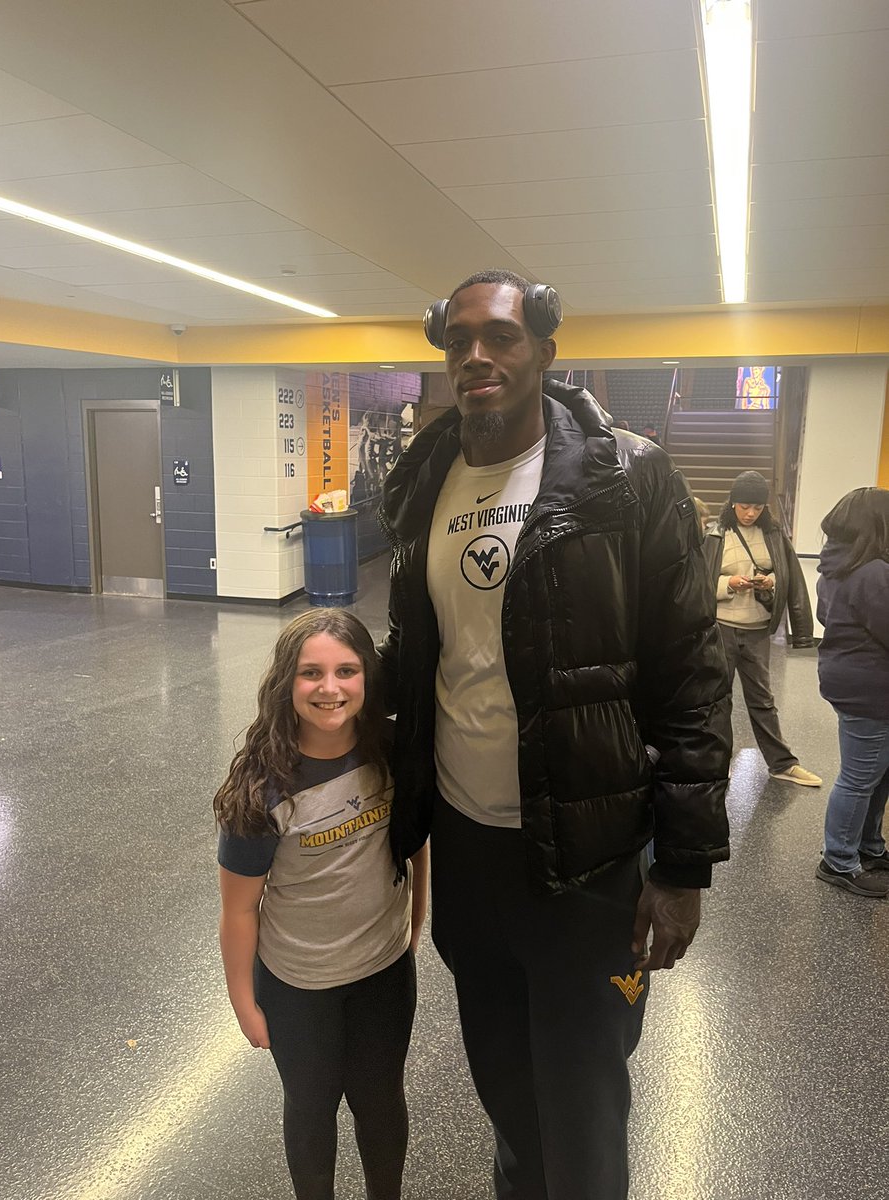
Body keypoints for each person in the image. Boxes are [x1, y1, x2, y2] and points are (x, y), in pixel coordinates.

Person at [378, 269, 731, 1200]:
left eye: (499, 336)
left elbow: (693, 669)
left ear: (544, 348)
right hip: (467, 852)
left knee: (581, 1109)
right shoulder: (428, 481)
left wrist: (684, 865)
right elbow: (426, 656)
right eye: (458, 342)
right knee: (505, 1090)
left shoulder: (629, 474)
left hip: (589, 856)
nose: (477, 357)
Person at [215, 609, 428, 1200]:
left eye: (347, 671)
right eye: (312, 673)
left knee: (381, 1097)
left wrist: (415, 920)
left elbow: (416, 840)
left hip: (383, 972)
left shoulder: (390, 749)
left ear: (367, 678)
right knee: (310, 1107)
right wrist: (243, 1003)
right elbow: (237, 910)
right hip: (297, 984)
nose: (330, 688)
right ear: (287, 683)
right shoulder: (263, 787)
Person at [703, 471, 821, 786]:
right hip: (721, 629)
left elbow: (790, 579)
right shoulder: (715, 535)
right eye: (744, 506)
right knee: (717, 698)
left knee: (763, 699)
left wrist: (770, 582)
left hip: (757, 629)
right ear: (732, 503)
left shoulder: (774, 536)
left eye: (757, 507)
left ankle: (782, 763)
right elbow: (697, 583)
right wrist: (729, 582)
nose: (750, 513)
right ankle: (715, 763)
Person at [815, 487, 889, 897]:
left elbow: (828, 617)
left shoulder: (838, 567)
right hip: (870, 689)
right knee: (861, 778)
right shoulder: (872, 572)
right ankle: (839, 860)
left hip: (853, 681)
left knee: (877, 774)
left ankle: (869, 846)